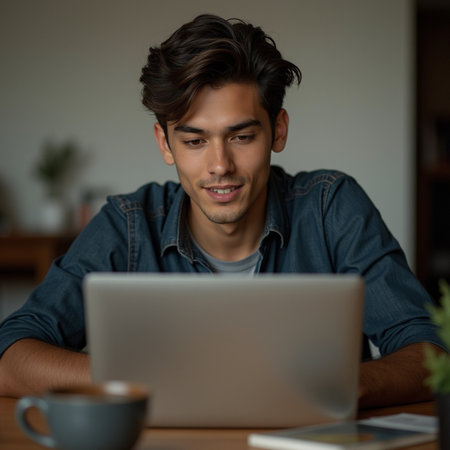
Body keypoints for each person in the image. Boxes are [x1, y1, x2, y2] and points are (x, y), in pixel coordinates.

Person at [0, 14, 445, 406]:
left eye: (242, 137)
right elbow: (10, 354)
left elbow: (431, 350)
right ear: (164, 143)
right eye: (194, 141)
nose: (220, 167)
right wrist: (152, 381)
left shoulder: (331, 207)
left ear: (278, 130)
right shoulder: (130, 225)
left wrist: (343, 385)